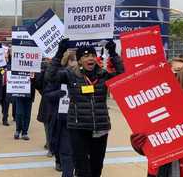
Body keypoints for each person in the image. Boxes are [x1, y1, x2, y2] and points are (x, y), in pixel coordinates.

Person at [45, 39, 124, 177]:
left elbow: (122, 76)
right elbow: (50, 76)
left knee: (96, 168)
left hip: (100, 128)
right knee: (82, 169)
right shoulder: (70, 74)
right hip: (78, 129)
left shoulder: (103, 75)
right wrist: (59, 53)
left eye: (92, 55)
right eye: (86, 56)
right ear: (80, 60)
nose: (90, 58)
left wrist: (113, 53)